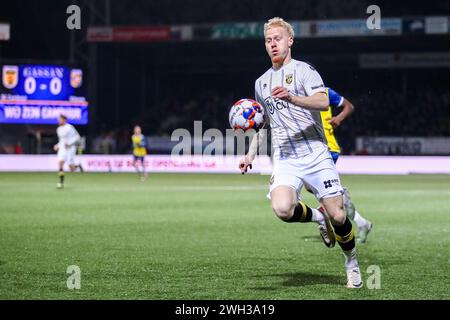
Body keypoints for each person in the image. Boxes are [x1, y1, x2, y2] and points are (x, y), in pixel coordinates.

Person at [239, 17, 362, 288]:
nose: (273, 44)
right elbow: (263, 126)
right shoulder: (261, 83)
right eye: (268, 40)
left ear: (290, 40)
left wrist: (293, 97)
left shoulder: (305, 71)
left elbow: (321, 100)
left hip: (316, 153)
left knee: (340, 216)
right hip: (285, 157)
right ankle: (319, 216)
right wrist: (250, 155)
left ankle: (351, 262)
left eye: (278, 39)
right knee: (282, 209)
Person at [318, 87, 373, 243]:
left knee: (319, 190)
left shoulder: (325, 92)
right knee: (321, 192)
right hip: (314, 150)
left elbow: (349, 106)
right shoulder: (295, 95)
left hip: (327, 148)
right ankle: (362, 222)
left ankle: (324, 215)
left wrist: (339, 118)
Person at [53, 114, 83, 189]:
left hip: (70, 149)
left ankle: (77, 166)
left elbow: (77, 137)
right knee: (60, 163)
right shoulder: (59, 129)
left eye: (60, 119)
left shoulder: (70, 127)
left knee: (71, 168)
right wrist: (57, 145)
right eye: (58, 119)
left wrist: (69, 143)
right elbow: (61, 141)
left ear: (64, 120)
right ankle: (61, 183)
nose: (58, 121)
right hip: (62, 149)